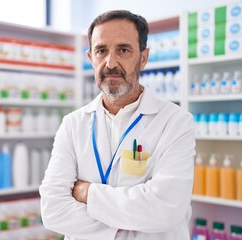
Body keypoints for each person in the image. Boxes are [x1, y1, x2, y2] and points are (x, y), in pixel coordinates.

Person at [39, 9, 196, 240]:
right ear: (91, 58)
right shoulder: (72, 125)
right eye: (101, 51)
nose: (111, 62)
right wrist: (127, 228)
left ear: (143, 57)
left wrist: (87, 192)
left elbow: (165, 209)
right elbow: (52, 210)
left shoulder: (176, 122)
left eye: (123, 50)